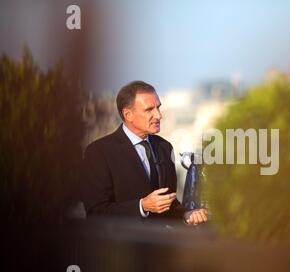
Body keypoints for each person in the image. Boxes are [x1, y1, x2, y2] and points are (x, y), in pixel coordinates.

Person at [80, 81, 208, 225]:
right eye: (149, 110)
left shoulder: (164, 147)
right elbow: (96, 211)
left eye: (158, 107)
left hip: (160, 244)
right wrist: (142, 206)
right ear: (128, 114)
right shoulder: (99, 152)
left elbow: (168, 204)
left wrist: (185, 214)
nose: (158, 115)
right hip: (121, 245)